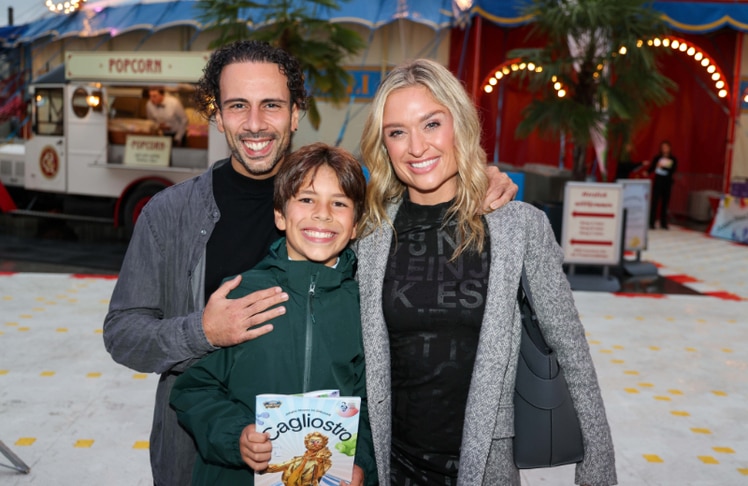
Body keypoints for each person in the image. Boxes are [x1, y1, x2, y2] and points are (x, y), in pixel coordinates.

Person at [102, 40, 518, 486]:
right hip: (203, 462)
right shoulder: (169, 214)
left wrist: (478, 180)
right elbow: (123, 333)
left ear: (296, 113)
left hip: (329, 466)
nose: (255, 123)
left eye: (272, 105)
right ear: (217, 115)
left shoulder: (353, 206)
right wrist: (203, 332)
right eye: (238, 106)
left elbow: (423, 187)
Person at [355, 59, 617, 485]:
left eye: (432, 124)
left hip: (486, 468)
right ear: (384, 145)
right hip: (390, 465)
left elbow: (571, 349)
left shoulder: (518, 227)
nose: (417, 147)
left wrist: (597, 470)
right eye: (397, 132)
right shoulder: (369, 231)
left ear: (460, 124)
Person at [170, 142, 376, 485]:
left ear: (355, 224)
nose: (323, 213)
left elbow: (371, 405)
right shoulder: (242, 296)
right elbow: (192, 390)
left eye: (339, 203)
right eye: (307, 199)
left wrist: (362, 465)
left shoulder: (363, 308)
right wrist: (236, 436)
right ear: (280, 215)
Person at [649, 140, 678, 229]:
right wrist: (647, 172)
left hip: (667, 182)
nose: (664, 149)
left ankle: (663, 223)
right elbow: (652, 167)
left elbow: (673, 170)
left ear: (669, 148)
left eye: (666, 147)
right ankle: (651, 222)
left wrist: (664, 167)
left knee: (665, 203)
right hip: (658, 181)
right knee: (655, 202)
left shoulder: (673, 159)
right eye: (663, 147)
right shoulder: (657, 158)